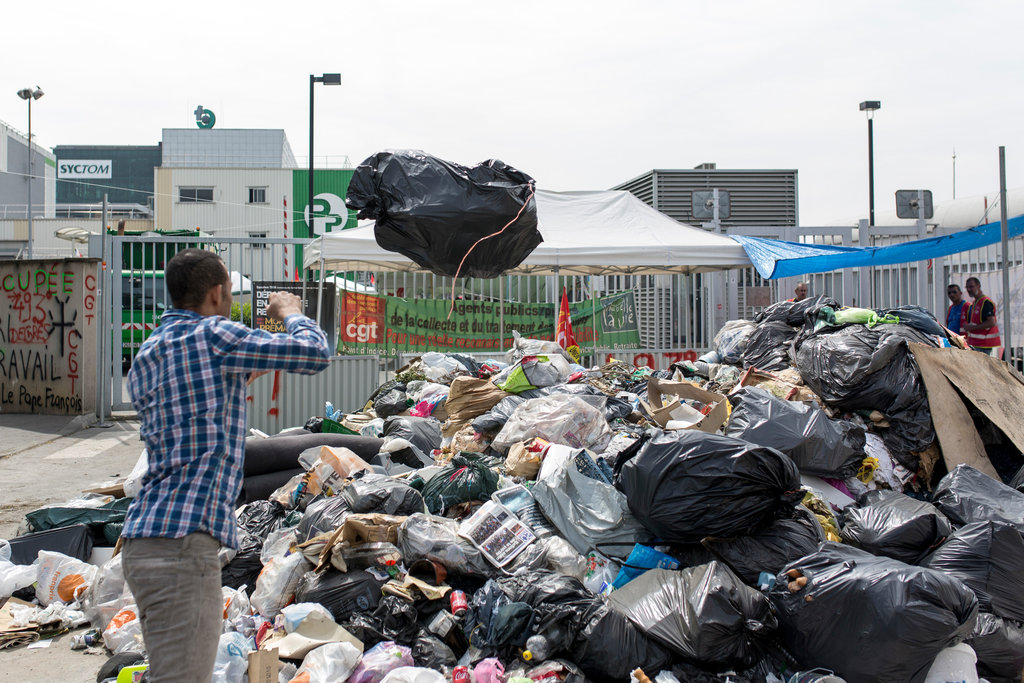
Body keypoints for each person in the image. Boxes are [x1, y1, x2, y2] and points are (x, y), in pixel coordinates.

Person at [120, 249, 331, 682]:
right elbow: (315, 351)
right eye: (231, 295)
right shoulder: (216, 336)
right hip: (183, 543)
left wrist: (242, 368)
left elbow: (195, 399)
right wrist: (290, 312)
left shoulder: (149, 352)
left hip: (144, 540)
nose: (231, 303)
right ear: (216, 293)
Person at [963, 276, 1001, 355]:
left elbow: (991, 322)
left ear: (978, 286)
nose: (969, 289)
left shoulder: (985, 302)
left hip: (985, 345)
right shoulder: (976, 302)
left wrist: (971, 328)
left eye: (971, 287)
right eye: (967, 287)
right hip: (977, 344)